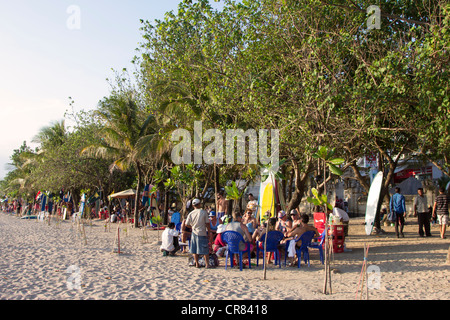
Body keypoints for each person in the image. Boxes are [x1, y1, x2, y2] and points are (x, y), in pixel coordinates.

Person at [185, 199, 213, 268]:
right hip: (202, 232)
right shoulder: (203, 212)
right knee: (205, 249)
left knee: (194, 249)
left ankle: (197, 263)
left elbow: (186, 224)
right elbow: (207, 224)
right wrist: (209, 232)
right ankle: (207, 264)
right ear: (199, 204)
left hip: (194, 233)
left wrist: (192, 227)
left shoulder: (191, 213)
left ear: (193, 205)